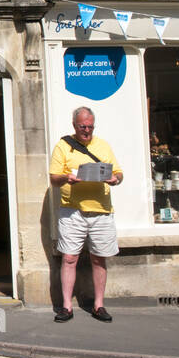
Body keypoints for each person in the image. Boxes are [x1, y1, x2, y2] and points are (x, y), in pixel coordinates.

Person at [49, 106, 123, 323]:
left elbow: (119, 173)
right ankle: (66, 307)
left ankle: (99, 305)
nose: (87, 131)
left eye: (90, 127)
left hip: (101, 211)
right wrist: (66, 178)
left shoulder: (103, 145)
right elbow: (53, 179)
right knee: (69, 258)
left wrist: (115, 179)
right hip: (72, 211)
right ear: (74, 125)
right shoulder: (63, 146)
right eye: (83, 126)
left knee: (99, 259)